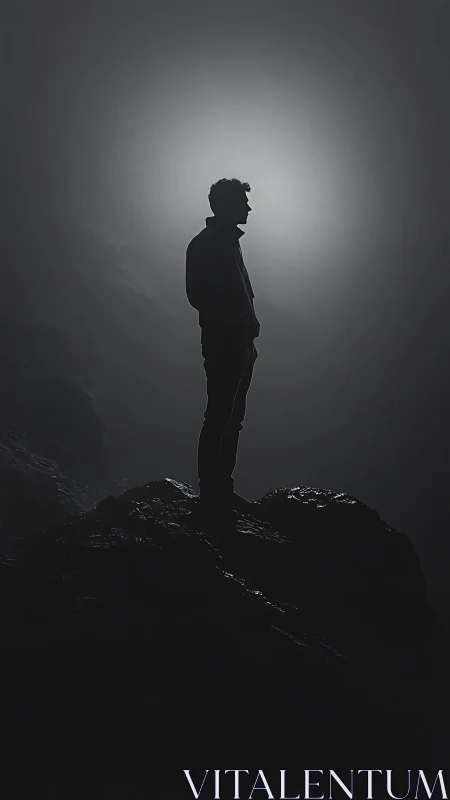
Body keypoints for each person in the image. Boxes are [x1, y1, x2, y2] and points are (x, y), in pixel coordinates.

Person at [185, 178, 260, 523]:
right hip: (225, 344)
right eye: (242, 202)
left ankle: (221, 489)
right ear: (226, 205)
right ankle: (212, 493)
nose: (248, 208)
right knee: (219, 417)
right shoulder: (207, 245)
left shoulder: (229, 243)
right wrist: (233, 324)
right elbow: (198, 296)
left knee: (232, 420)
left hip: (240, 344)